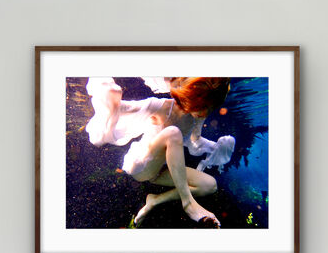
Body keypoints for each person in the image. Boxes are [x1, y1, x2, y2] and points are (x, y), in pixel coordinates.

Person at [85, 77, 235, 228]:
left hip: (164, 169)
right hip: (142, 166)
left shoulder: (197, 118)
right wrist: (111, 100)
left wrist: (217, 147)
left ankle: (155, 200)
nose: (206, 113)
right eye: (205, 106)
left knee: (210, 185)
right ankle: (188, 202)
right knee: (173, 133)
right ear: (194, 97)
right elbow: (124, 109)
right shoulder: (160, 107)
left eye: (211, 108)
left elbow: (195, 141)